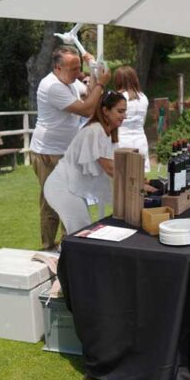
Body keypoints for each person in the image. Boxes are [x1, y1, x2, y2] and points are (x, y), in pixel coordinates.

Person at [30, 46, 110, 250]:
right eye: (73, 69)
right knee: (52, 200)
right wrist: (101, 82)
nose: (77, 73)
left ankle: (71, 244)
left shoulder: (70, 83)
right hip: (49, 152)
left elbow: (91, 95)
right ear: (57, 68)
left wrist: (93, 71)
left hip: (66, 152)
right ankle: (48, 247)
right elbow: (87, 109)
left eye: (78, 67)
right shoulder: (52, 86)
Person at [43, 91, 126, 235]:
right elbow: (110, 168)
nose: (124, 116)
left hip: (71, 187)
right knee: (81, 232)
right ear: (105, 111)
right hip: (62, 188)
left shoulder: (107, 134)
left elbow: (116, 166)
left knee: (82, 231)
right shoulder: (95, 131)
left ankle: (66, 255)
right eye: (120, 111)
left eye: (125, 112)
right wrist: (136, 183)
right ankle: (66, 256)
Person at [114, 66, 151, 172]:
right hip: (140, 139)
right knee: (140, 177)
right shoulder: (143, 97)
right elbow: (142, 121)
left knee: (122, 177)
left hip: (121, 139)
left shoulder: (118, 97)